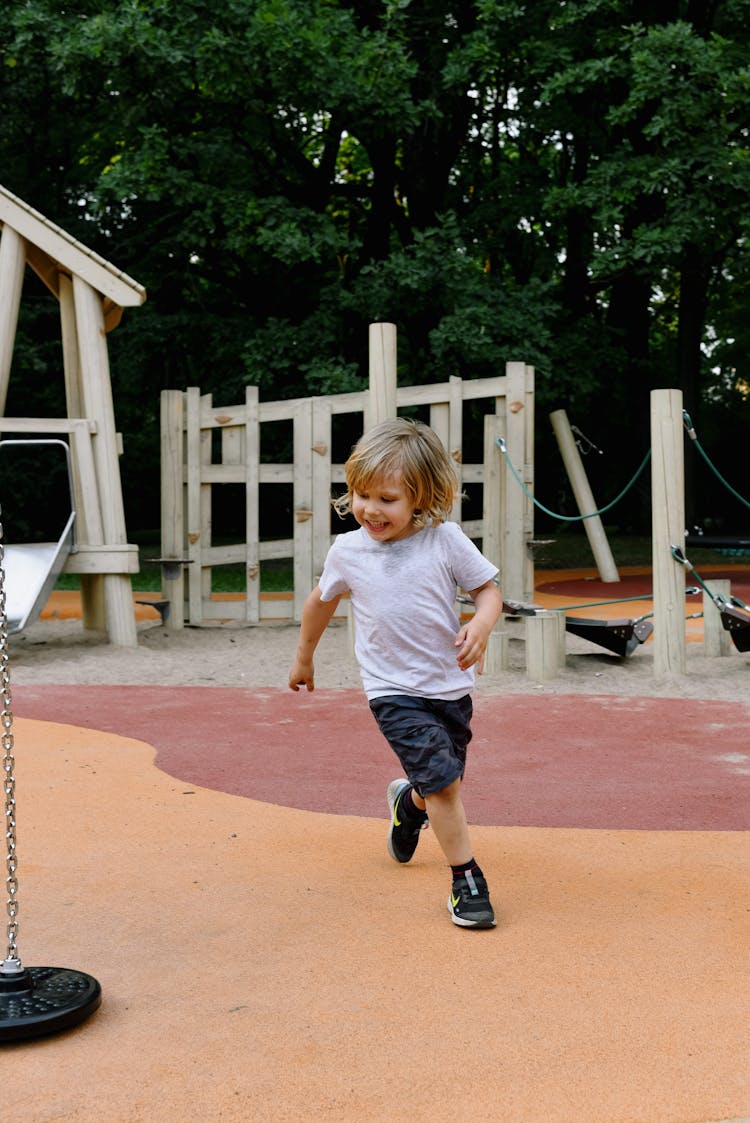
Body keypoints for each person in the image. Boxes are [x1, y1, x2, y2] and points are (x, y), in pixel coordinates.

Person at [288, 417, 503, 929]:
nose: (369, 509)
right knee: (448, 787)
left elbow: (489, 591)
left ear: (421, 498)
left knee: (438, 782)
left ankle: (409, 804)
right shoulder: (348, 550)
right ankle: (466, 881)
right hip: (391, 690)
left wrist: (483, 622)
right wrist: (304, 655)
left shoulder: (445, 541)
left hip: (450, 687)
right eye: (362, 494)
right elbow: (321, 602)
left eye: (386, 499)